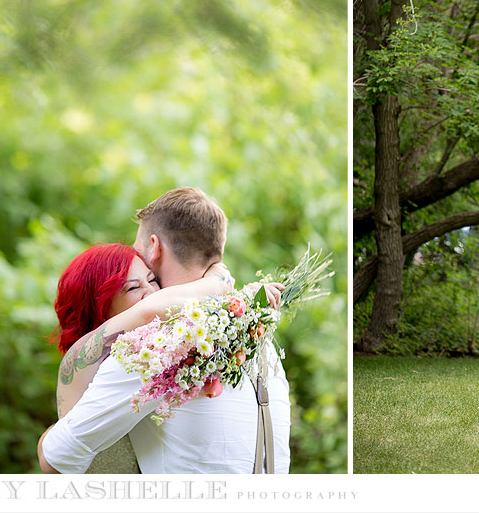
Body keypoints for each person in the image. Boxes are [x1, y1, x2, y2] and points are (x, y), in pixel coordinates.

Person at [38, 187, 290, 473]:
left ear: (154, 247)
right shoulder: (258, 336)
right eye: (134, 287)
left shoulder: (154, 347)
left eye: (147, 278)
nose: (150, 291)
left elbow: (55, 459)